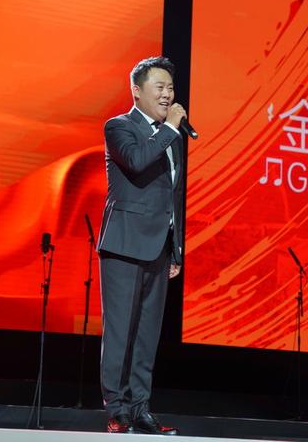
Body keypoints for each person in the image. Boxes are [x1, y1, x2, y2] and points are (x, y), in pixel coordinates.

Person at [97, 56, 185, 435]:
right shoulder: (119, 126)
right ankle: (117, 410)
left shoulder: (171, 137)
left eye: (170, 88)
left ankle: (140, 408)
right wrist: (171, 129)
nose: (167, 95)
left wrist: (176, 248)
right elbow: (136, 161)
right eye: (159, 87)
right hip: (124, 244)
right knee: (121, 331)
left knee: (148, 334)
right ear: (137, 90)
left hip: (159, 247)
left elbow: (173, 196)